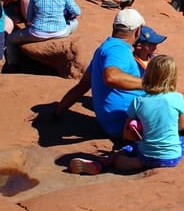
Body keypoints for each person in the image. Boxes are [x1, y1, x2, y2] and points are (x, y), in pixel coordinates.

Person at [69, 54, 184, 175]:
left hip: (146, 156)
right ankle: (143, 162)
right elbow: (180, 127)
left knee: (129, 149)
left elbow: (128, 133)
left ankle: (107, 162)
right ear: (173, 76)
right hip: (171, 158)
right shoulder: (177, 98)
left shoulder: (139, 101)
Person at [53, 8, 146, 137]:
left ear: (114, 27)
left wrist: (56, 112)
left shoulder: (105, 48)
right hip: (126, 123)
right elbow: (111, 76)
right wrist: (150, 84)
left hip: (114, 122)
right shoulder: (118, 50)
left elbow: (83, 86)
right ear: (138, 31)